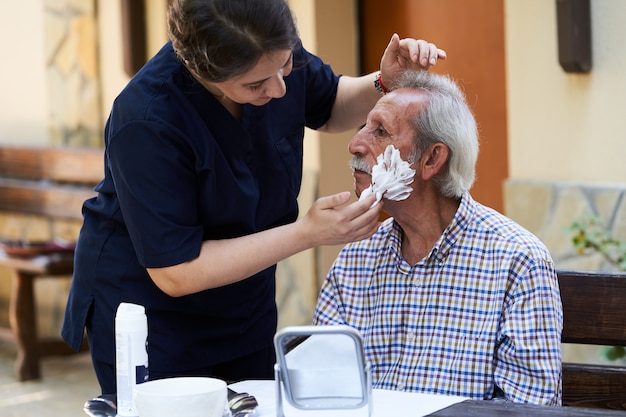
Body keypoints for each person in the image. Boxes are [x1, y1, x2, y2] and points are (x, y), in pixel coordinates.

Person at [60, 0, 446, 395]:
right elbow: (176, 271)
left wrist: (383, 81)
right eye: (256, 84)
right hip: (155, 319)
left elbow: (328, 104)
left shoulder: (269, 48)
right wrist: (307, 234)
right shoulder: (147, 119)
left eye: (285, 67)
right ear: (202, 71)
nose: (279, 89)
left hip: (244, 306)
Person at [313, 70, 563, 405]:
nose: (355, 143)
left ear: (431, 159)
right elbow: (319, 389)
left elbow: (529, 410)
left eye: (380, 132)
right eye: (365, 127)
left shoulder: (517, 261)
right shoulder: (356, 259)